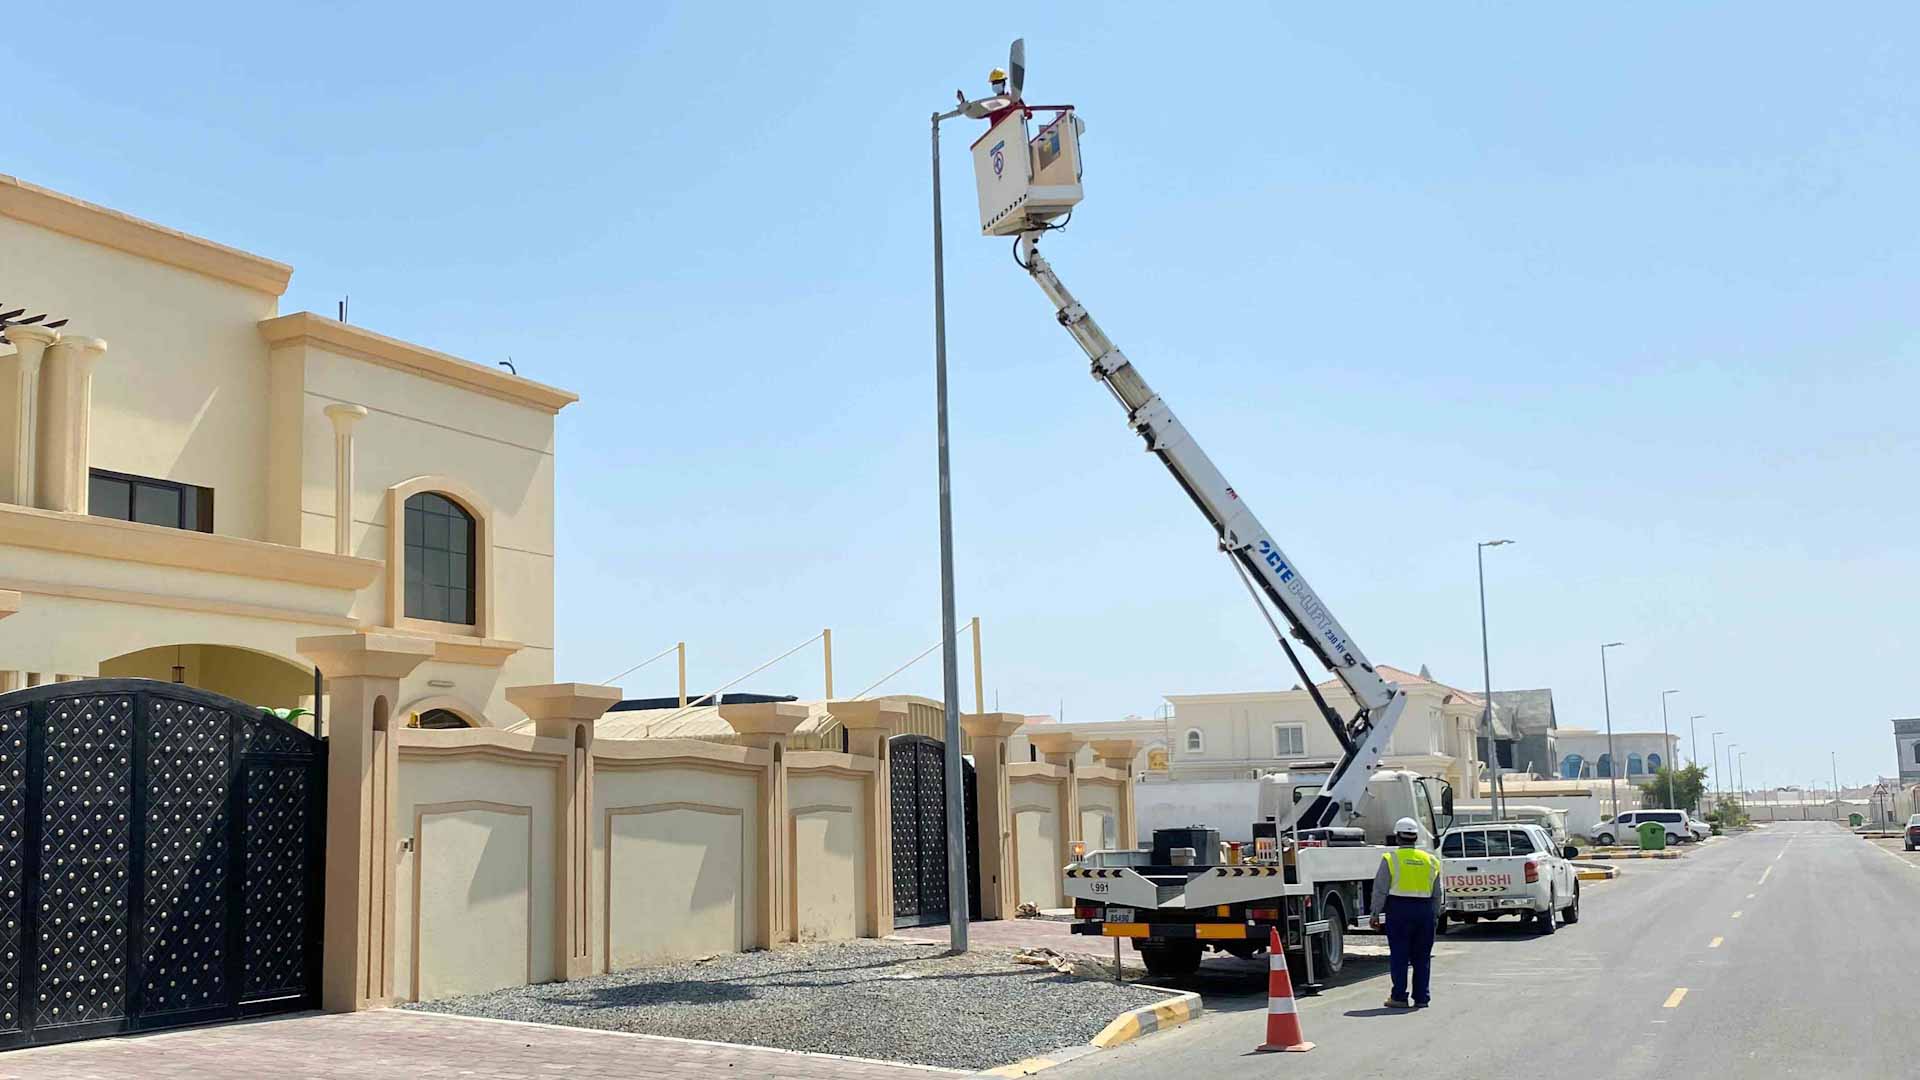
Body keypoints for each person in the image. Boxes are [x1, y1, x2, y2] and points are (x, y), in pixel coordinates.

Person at [1368, 817, 1444, 1009]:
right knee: (1422, 957)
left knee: (1399, 955)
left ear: (1397, 837)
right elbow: (1437, 894)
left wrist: (1375, 913)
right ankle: (1422, 998)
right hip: (1425, 911)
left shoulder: (1390, 859)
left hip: (1399, 911)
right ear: (1416, 837)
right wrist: (1435, 916)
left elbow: (1380, 889)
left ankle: (1399, 997)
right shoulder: (1431, 860)